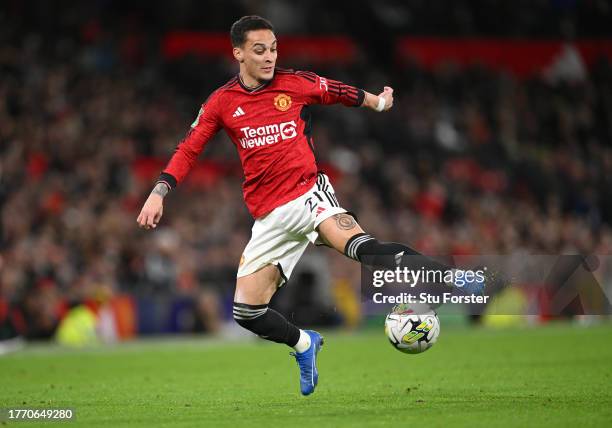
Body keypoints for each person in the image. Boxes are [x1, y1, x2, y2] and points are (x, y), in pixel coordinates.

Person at [137, 15, 484, 396]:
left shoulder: (294, 83)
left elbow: (336, 90)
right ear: (237, 53)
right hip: (269, 217)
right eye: (259, 50)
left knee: (361, 248)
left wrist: (378, 102)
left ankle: (454, 279)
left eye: (273, 49)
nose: (269, 57)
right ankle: (304, 344)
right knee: (246, 313)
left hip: (309, 195)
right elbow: (189, 148)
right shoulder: (222, 102)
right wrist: (159, 191)